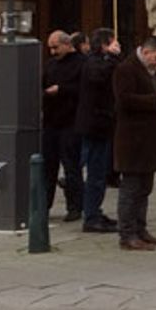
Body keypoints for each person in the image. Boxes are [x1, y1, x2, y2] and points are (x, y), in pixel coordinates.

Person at [112, 35, 156, 251]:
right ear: (146, 52)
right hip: (132, 140)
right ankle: (127, 234)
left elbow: (151, 97)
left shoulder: (151, 70)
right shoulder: (126, 69)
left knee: (145, 188)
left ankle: (140, 229)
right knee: (131, 188)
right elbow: (125, 100)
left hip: (148, 140)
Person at [75, 28, 122, 233]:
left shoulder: (100, 61)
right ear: (104, 44)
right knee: (95, 172)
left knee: (100, 171)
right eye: (112, 42)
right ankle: (91, 216)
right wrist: (111, 57)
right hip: (95, 124)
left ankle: (94, 210)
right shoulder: (93, 62)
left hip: (101, 124)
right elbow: (98, 77)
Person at [41, 29, 85, 222]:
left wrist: (62, 89)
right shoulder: (50, 64)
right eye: (50, 48)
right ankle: (43, 205)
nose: (52, 52)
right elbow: (41, 85)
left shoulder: (81, 63)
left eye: (56, 47)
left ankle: (75, 207)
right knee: (47, 167)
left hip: (71, 122)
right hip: (51, 122)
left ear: (67, 45)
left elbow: (84, 90)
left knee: (71, 166)